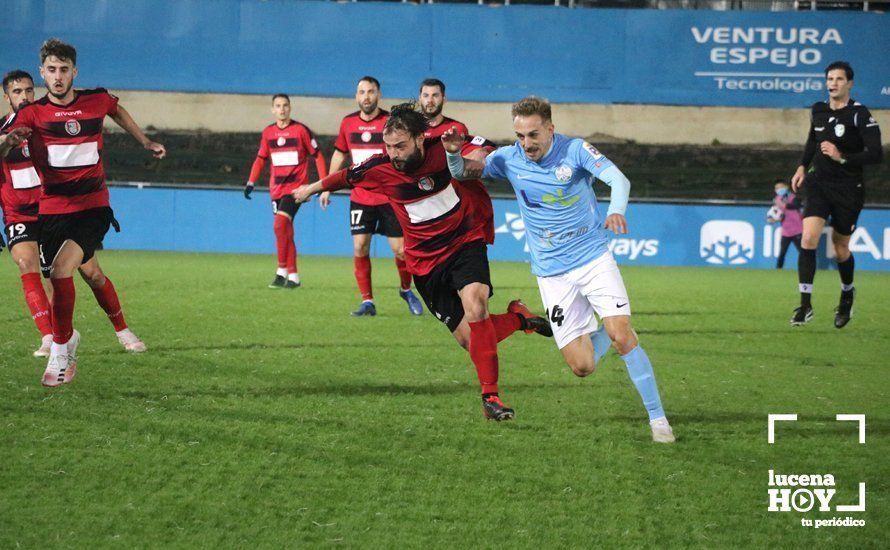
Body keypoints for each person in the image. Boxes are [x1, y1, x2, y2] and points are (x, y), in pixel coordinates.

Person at [294, 102, 553, 421]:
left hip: (464, 242)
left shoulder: (443, 144)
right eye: (388, 147)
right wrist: (309, 188)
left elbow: (486, 148)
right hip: (426, 266)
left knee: (477, 305)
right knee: (471, 339)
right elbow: (344, 177)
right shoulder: (380, 168)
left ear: (420, 138)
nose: (394, 154)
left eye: (401, 146)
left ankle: (490, 397)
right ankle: (519, 319)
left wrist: (472, 158)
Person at [443, 96, 675, 443]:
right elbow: (462, 172)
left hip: (593, 259)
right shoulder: (508, 158)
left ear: (550, 128)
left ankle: (659, 421)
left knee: (622, 334)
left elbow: (619, 180)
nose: (526, 144)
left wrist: (617, 210)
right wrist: (451, 152)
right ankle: (610, 332)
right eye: (520, 135)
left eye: (533, 135)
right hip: (552, 274)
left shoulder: (576, 151)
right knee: (582, 366)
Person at [1, 39, 165, 386]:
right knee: (60, 276)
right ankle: (66, 339)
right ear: (43, 73)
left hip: (92, 206)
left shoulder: (96, 100)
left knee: (63, 270)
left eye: (64, 70)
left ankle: (61, 349)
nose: (58, 77)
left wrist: (145, 141)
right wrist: (8, 143)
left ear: (74, 71)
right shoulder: (31, 114)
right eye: (52, 71)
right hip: (51, 211)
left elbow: (116, 110)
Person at [790, 61, 882, 328]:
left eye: (839, 79)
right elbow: (812, 141)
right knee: (808, 237)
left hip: (848, 189)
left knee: (840, 248)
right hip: (819, 184)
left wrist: (842, 158)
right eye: (830, 78)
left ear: (849, 83)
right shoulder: (818, 110)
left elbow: (876, 154)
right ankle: (805, 305)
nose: (833, 83)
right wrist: (801, 167)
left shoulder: (860, 115)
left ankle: (846, 294)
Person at [321, 76, 423, 317]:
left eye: (370, 91)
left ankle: (406, 289)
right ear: (356, 96)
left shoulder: (391, 122)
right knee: (360, 247)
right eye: (362, 92)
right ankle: (367, 301)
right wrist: (326, 186)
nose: (366, 96)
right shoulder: (347, 124)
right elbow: (339, 154)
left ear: (378, 94)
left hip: (389, 197)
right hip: (360, 197)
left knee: (400, 251)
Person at [244, 93, 327, 289]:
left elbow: (318, 155)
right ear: (273, 109)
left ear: (290, 108)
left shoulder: (300, 130)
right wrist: (251, 181)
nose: (282, 109)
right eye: (278, 106)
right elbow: (261, 159)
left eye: (285, 105)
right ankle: (294, 276)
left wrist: (323, 184)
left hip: (296, 189)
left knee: (279, 224)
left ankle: (281, 271)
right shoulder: (268, 133)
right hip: (276, 190)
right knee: (284, 230)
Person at [1, 70, 52, 357]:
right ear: (7, 96)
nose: (24, 96)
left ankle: (61, 334)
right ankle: (47, 336)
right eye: (17, 91)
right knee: (25, 263)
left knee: (56, 275)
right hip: (17, 211)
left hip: (52, 210)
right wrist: (8, 141)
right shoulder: (1, 131)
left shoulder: (48, 125)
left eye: (29, 90)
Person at [767, 180, 803, 270]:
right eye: (777, 188)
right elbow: (774, 213)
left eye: (780, 187)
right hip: (786, 231)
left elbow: (796, 205)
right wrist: (772, 219)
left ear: (786, 187)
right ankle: (778, 270)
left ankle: (806, 268)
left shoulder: (793, 197)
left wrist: (783, 205)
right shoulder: (777, 199)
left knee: (802, 252)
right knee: (782, 252)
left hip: (797, 230)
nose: (779, 189)